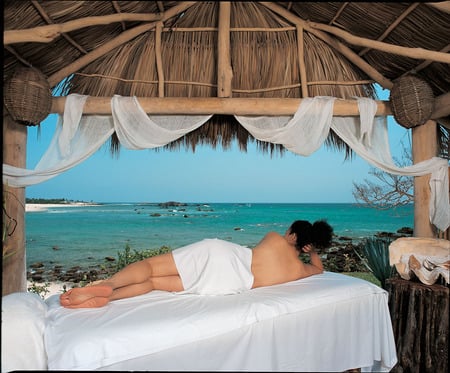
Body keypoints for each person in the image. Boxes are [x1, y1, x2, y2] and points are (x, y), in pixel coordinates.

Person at [60, 219, 333, 308]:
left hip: (223, 255)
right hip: (230, 284)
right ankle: (110, 299)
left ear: (291, 235)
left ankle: (107, 285)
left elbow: (288, 240)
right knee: (156, 283)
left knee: (152, 267)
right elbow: (318, 268)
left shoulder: (274, 238)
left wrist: (299, 237)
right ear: (310, 246)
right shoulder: (299, 270)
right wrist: (311, 252)